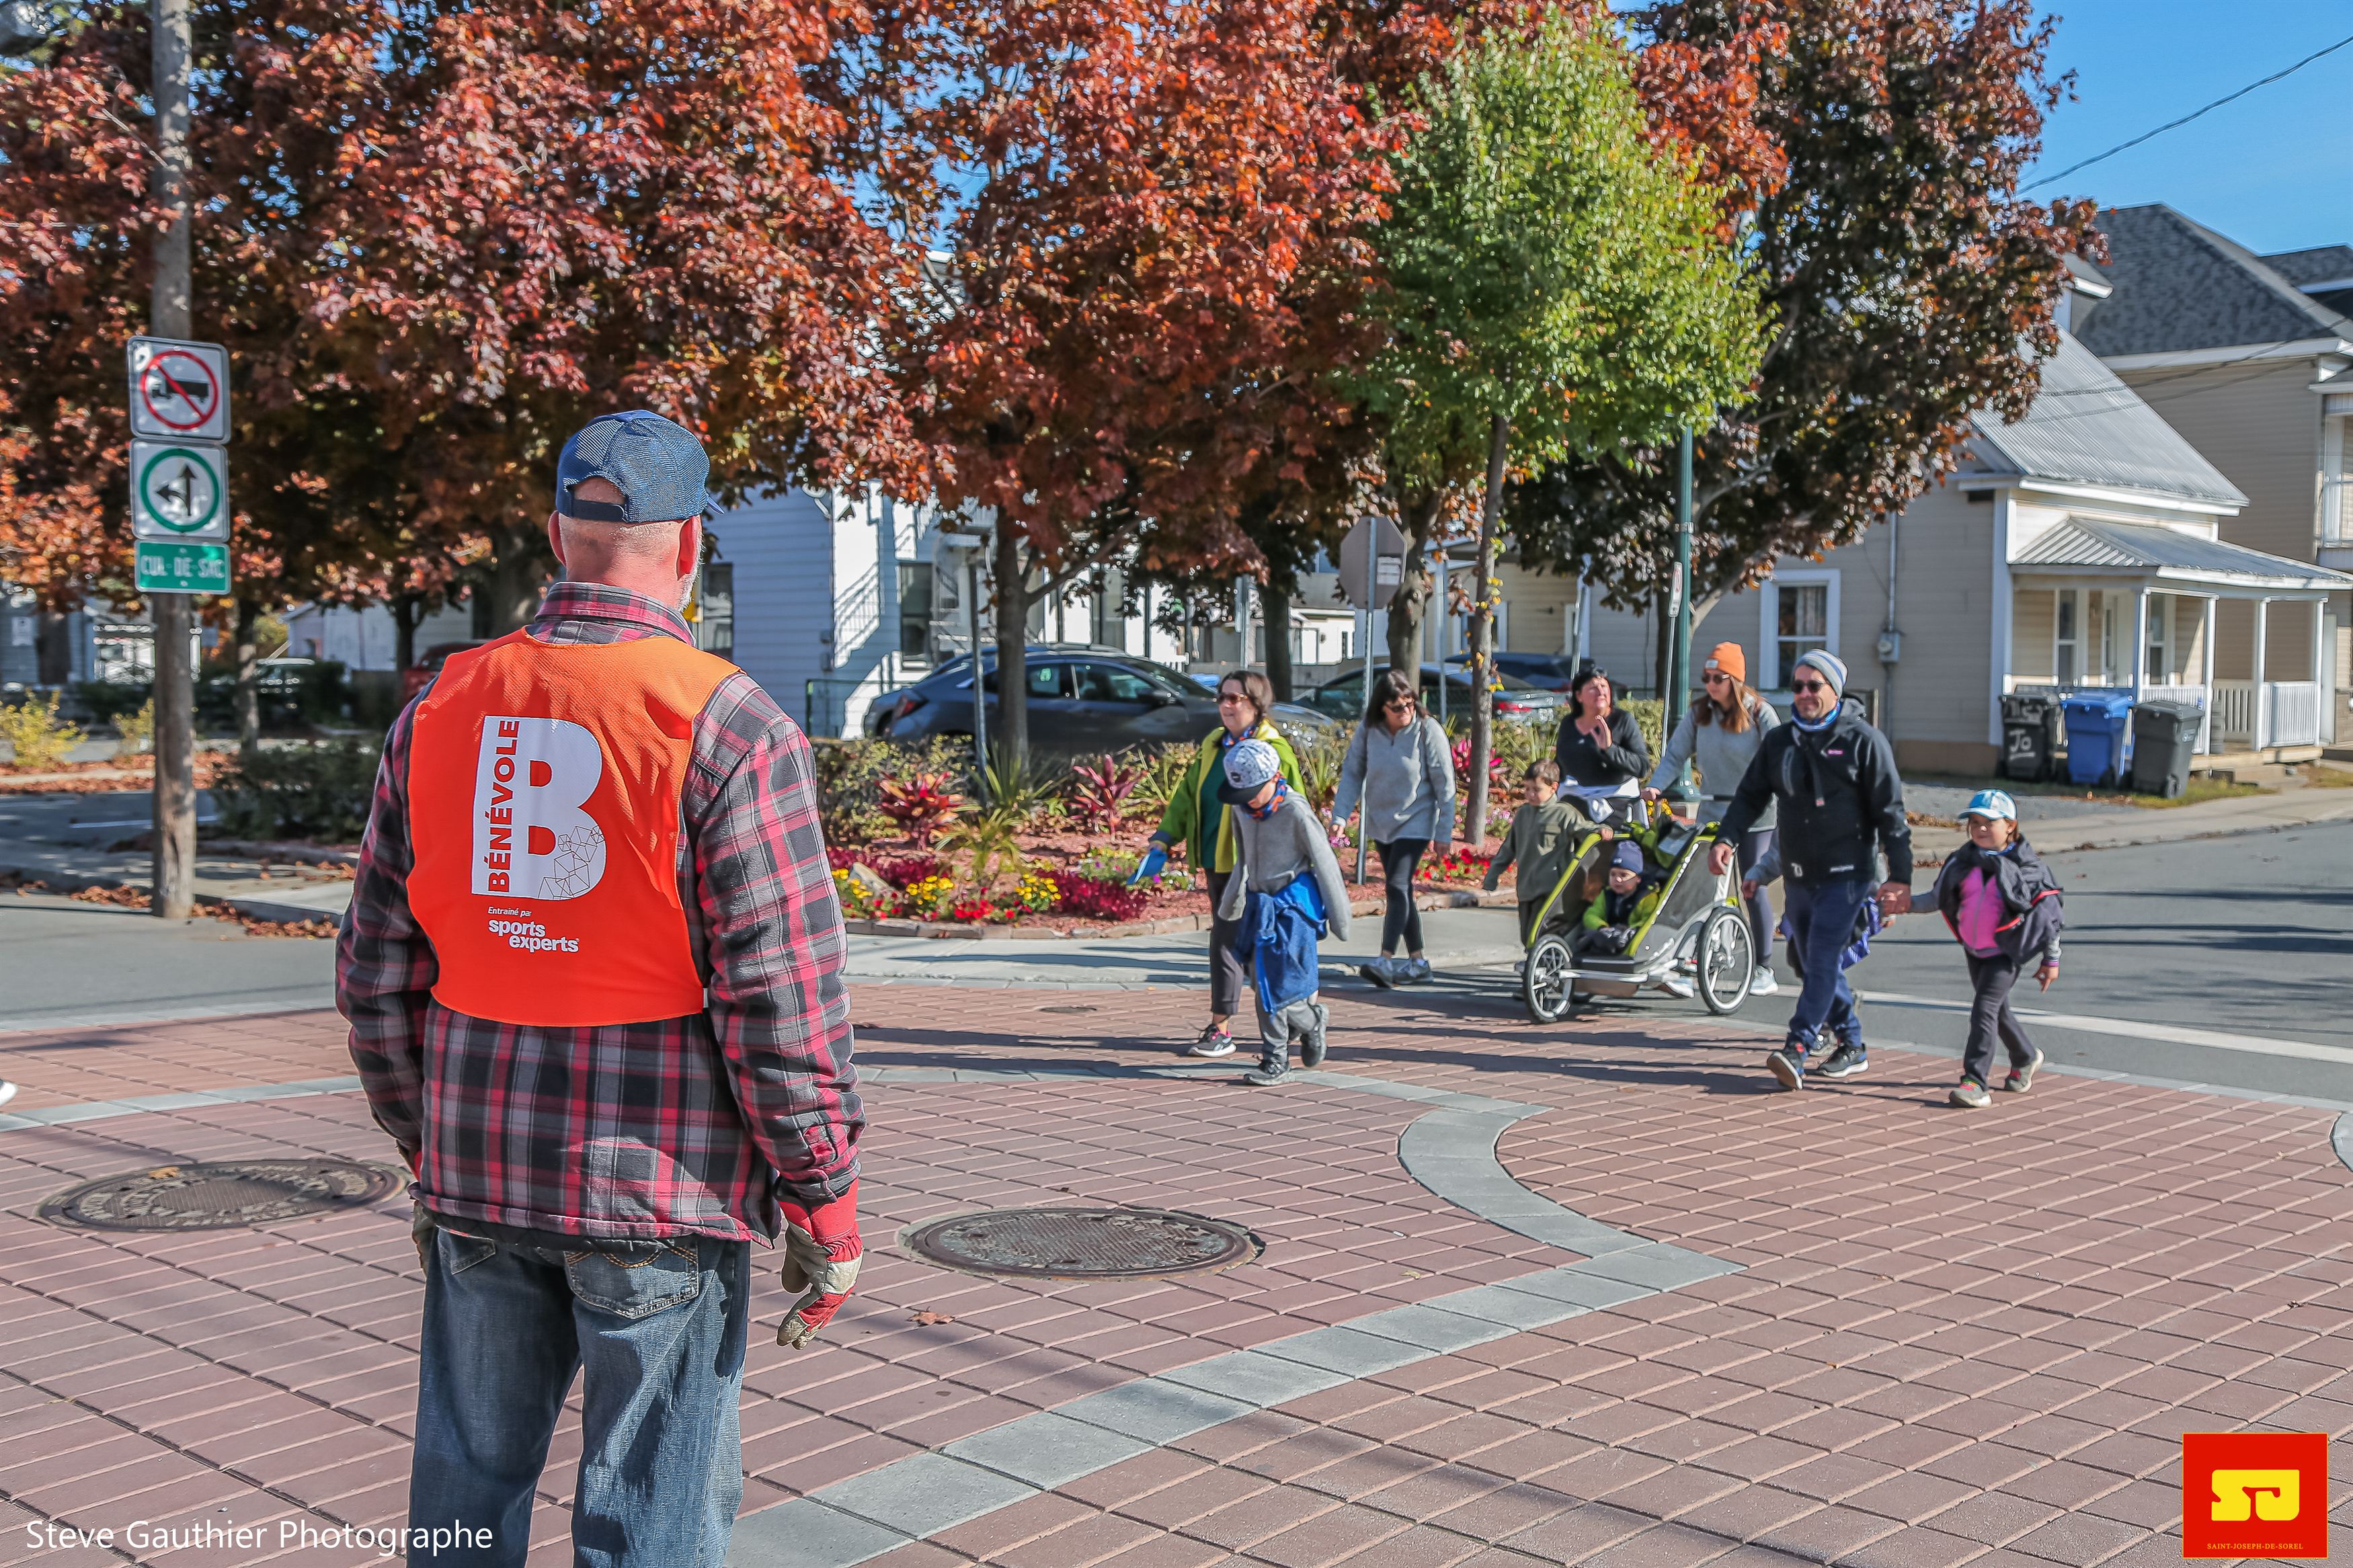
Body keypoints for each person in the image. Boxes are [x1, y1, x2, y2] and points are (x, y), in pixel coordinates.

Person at [337, 411, 865, 1568]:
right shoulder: (729, 723)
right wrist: (822, 1189)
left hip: (477, 1171)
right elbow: (779, 999)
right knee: (652, 1518)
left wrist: (427, 1136)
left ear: (553, 534)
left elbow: (375, 971)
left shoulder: (441, 709)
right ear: (691, 546)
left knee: (464, 1496)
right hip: (662, 1187)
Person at [1712, 649, 1913, 1092]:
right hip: (1800, 875)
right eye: (1798, 686)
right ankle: (1853, 1044)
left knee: (1822, 956)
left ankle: (1798, 1047)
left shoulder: (1864, 741)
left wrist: (1899, 878)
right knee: (1807, 961)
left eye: (1814, 686)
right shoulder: (1781, 741)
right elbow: (1749, 796)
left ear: (1835, 691)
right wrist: (1727, 839)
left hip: (1849, 875)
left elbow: (1891, 815)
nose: (1804, 694)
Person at [1140, 670, 1304, 1059]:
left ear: (1257, 704)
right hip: (1216, 858)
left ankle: (1224, 1028)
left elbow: (1298, 810)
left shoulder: (1274, 751)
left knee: (1231, 943)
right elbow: (1187, 794)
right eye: (1222, 698)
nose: (1226, 706)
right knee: (1236, 945)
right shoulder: (1214, 744)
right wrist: (1165, 836)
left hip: (1256, 867)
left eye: (1236, 699)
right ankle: (1291, 1014)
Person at [1646, 643, 1780, 997]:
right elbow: (1675, 755)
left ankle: (1764, 967)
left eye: (1718, 678)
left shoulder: (1760, 713)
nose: (1710, 684)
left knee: (1752, 885)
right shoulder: (1699, 713)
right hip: (1713, 812)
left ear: (1735, 680)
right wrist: (1656, 786)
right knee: (1703, 887)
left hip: (1755, 815)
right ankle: (1693, 959)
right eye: (1706, 678)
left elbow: (1780, 761)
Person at [1215, 739, 1353, 1086]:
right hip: (1259, 907)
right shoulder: (1241, 809)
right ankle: (1294, 1040)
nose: (1247, 800)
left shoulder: (1295, 811)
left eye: (1252, 792)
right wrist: (1231, 903)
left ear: (1273, 778)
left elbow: (1325, 862)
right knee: (1263, 984)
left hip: (1294, 909)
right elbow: (1243, 859)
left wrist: (1340, 918)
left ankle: (1293, 1042)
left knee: (1279, 987)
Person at [1929, 790, 2063, 1109]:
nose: (1980, 829)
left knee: (1984, 1009)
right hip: (1974, 950)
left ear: (2010, 826)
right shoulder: (1963, 861)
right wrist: (1900, 904)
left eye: (1989, 823)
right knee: (1996, 1011)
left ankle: (1975, 1082)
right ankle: (2025, 1056)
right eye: (1974, 822)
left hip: (2006, 952)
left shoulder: (2029, 868)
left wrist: (2051, 959)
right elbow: (1936, 898)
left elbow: (2049, 916)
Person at [1332, 669, 1456, 988]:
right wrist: (1340, 816)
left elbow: (1445, 786)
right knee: (1402, 891)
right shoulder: (1369, 729)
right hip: (1382, 823)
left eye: (1410, 704)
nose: (1406, 711)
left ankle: (1385, 960)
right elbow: (1353, 772)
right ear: (1382, 707)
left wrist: (1444, 832)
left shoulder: (1427, 730)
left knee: (1397, 885)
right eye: (1398, 707)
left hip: (1417, 820)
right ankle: (1418, 962)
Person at [1485, 759, 1581, 946]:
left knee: (1540, 935)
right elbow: (1508, 849)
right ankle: (1534, 960)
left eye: (1536, 790)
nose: (1530, 794)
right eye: (1527, 788)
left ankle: (1542, 961)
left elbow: (1584, 830)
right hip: (1526, 887)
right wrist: (1492, 875)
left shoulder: (1565, 814)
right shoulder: (1523, 814)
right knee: (1526, 936)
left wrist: (1600, 830)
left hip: (1551, 889)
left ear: (1553, 788)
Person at [1553, 663, 1650, 794]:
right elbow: (1560, 765)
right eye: (1593, 688)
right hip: (1575, 797)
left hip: (1615, 799)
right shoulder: (1569, 723)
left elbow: (1642, 767)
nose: (1600, 692)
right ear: (1579, 696)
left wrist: (1610, 749)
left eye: (1604, 686)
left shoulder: (1623, 720)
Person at [1574, 839, 1661, 957]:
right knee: (1588, 936)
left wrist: (1629, 931)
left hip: (1633, 944)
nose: (1617, 879)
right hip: (1609, 937)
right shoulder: (1607, 894)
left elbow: (1649, 921)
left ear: (1638, 878)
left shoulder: (1648, 897)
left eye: (1624, 875)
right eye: (1613, 874)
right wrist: (1602, 927)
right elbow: (1591, 914)